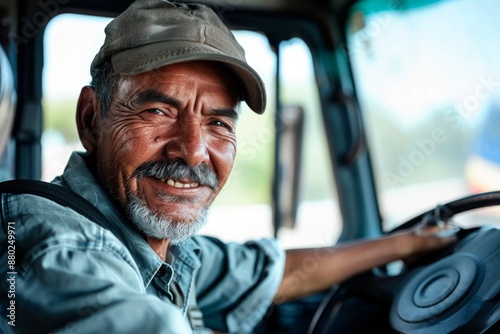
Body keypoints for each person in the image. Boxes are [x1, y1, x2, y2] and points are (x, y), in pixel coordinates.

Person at [0, 0, 456, 333]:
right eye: (158, 112)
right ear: (90, 120)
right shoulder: (52, 244)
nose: (194, 151)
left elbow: (273, 272)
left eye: (218, 122)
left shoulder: (161, 247)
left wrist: (409, 243)